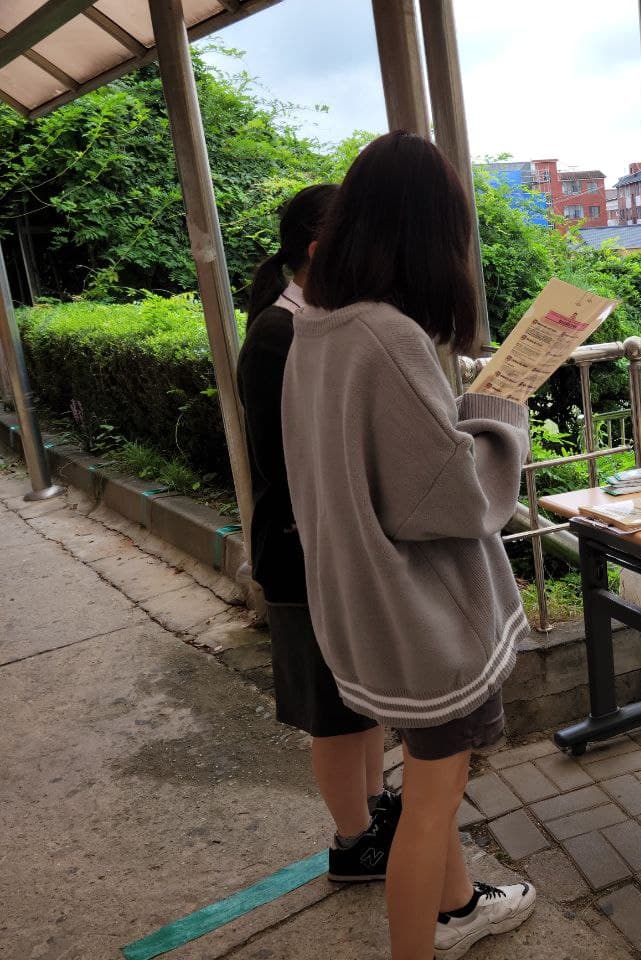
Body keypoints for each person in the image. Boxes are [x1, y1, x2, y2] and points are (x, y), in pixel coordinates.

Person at [281, 131, 536, 960]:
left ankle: (461, 908)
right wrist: (500, 418)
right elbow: (453, 497)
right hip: (424, 622)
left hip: (362, 609)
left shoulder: (315, 329)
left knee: (430, 782)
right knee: (431, 804)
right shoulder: (387, 337)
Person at [237, 184, 400, 882]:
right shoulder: (279, 336)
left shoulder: (318, 324)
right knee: (334, 712)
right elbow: (295, 461)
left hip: (332, 546)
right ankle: (353, 841)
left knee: (359, 698)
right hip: (304, 553)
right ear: (317, 247)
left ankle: (373, 808)